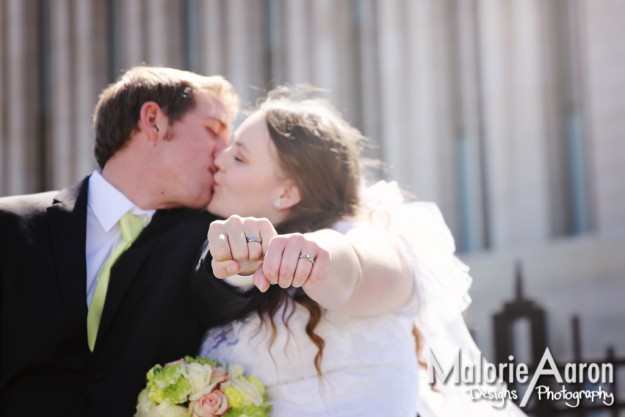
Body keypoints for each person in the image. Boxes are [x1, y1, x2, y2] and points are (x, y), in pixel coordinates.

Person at [199, 87, 527, 416]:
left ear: (287, 192)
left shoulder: (373, 238)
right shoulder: (217, 260)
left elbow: (353, 270)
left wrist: (316, 255)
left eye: (239, 157)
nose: (218, 160)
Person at [0, 66, 264, 417]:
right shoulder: (10, 226)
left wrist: (240, 266)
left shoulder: (206, 236)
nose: (221, 155)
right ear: (153, 120)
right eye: (213, 130)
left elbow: (220, 290)